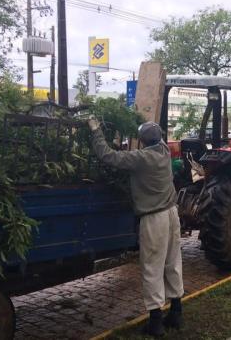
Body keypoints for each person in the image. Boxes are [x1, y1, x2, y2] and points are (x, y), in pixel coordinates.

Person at [88, 119, 183, 337]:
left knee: (152, 267)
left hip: (154, 219)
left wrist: (96, 131)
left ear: (141, 141)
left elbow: (108, 156)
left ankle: (156, 322)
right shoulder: (165, 151)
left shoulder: (140, 159)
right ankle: (176, 312)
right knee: (172, 262)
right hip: (172, 213)